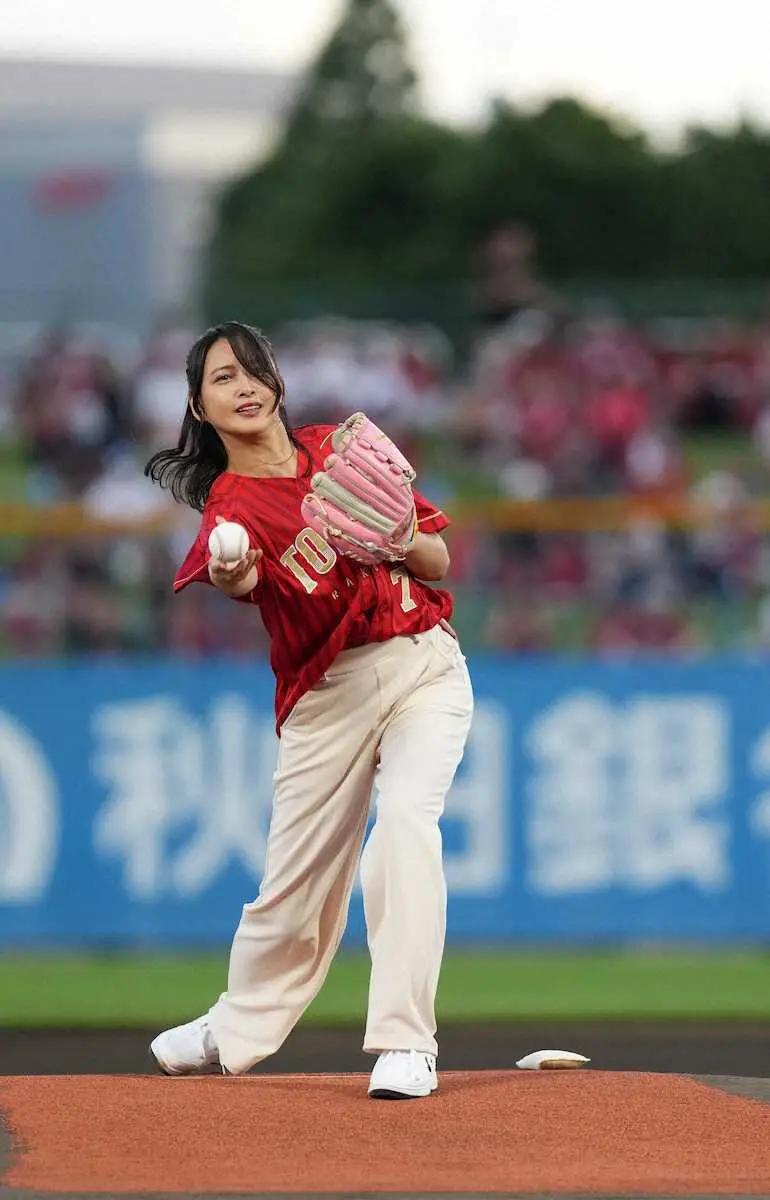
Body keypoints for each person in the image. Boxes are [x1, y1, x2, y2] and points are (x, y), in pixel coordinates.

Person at [144, 321, 474, 1099]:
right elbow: (239, 578)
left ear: (279, 384)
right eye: (223, 377)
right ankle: (235, 1024)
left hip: (424, 664)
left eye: (254, 370)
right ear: (197, 406)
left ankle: (406, 1042)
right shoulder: (231, 509)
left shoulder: (338, 449)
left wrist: (400, 533)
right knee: (291, 891)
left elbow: (437, 560)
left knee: (406, 828)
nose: (244, 386)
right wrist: (232, 566)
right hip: (327, 696)